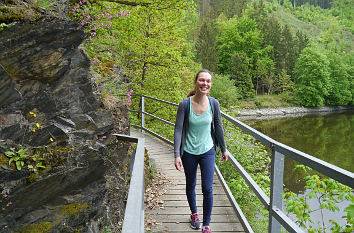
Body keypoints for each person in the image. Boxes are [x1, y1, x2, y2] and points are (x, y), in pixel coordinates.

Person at [174, 69, 229, 233]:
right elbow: (178, 129)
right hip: (189, 152)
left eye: (208, 81)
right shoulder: (185, 104)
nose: (205, 83)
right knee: (190, 184)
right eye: (202, 80)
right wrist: (177, 154)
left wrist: (224, 149)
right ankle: (194, 214)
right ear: (196, 82)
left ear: (210, 84)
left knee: (207, 188)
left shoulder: (214, 103)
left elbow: (218, 127)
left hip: (208, 150)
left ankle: (206, 223)